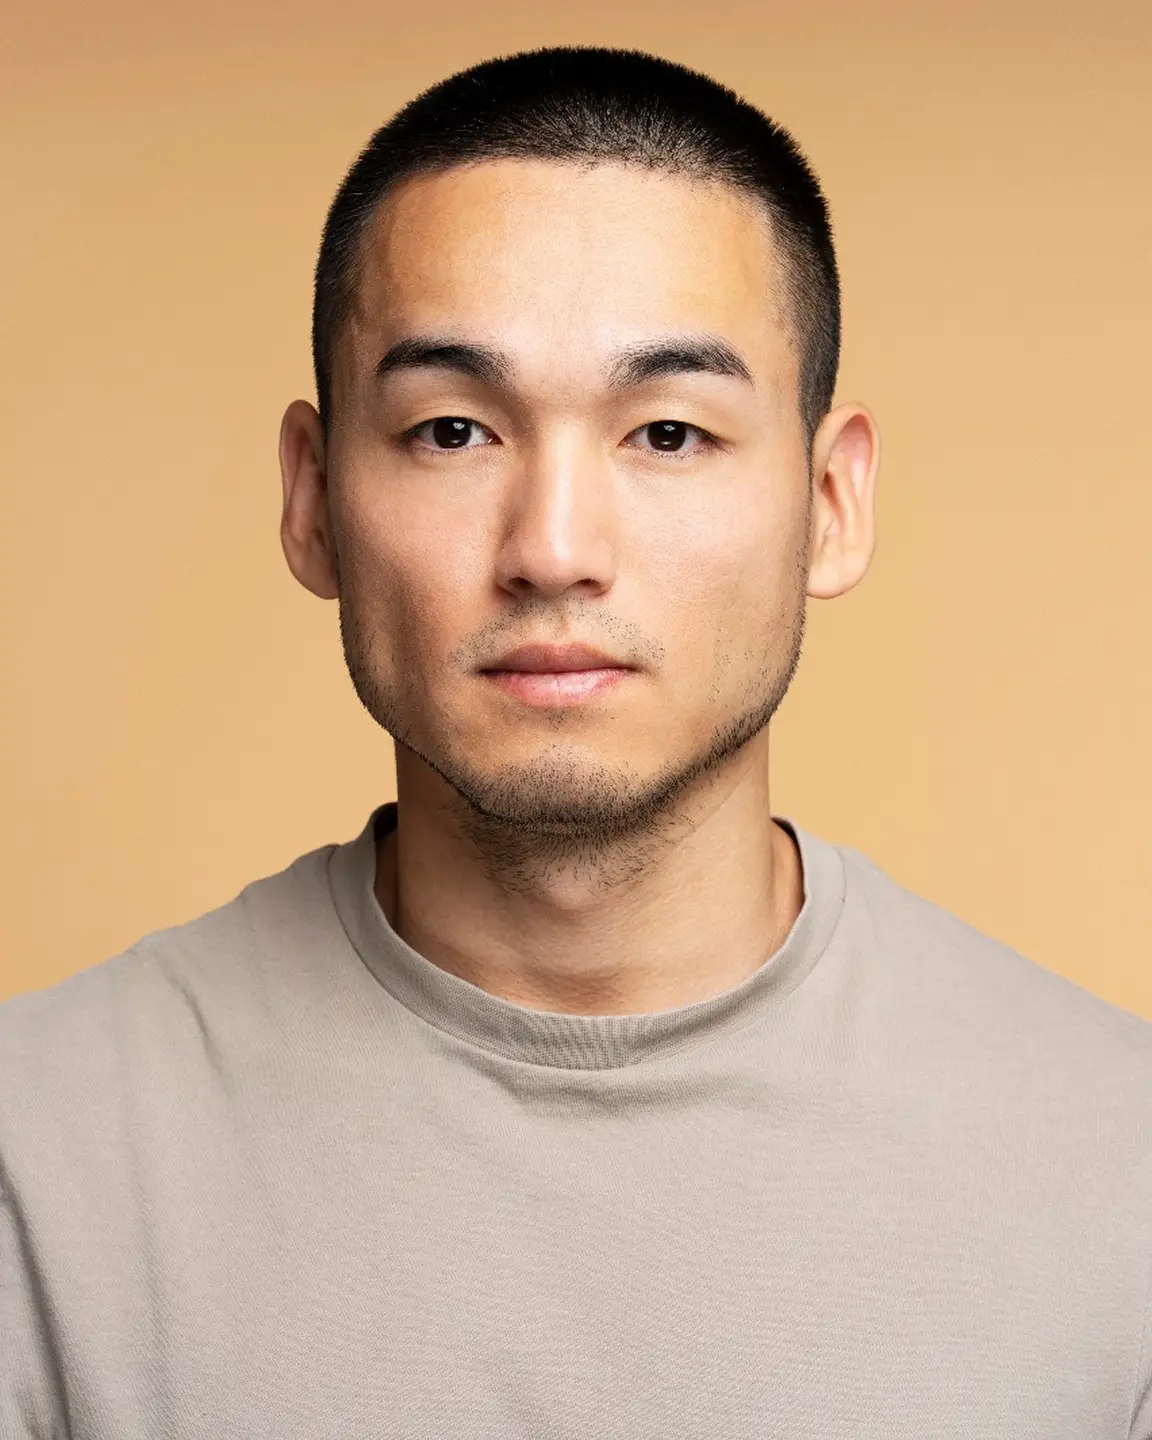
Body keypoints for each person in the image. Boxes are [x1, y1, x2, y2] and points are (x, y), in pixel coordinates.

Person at [1, 44, 1149, 1439]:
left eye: (667, 433)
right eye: (452, 431)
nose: (553, 549)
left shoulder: (1119, 1167)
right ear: (311, 500)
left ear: (833, 503)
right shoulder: (38, 1158)